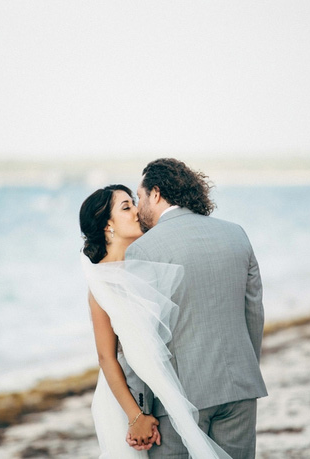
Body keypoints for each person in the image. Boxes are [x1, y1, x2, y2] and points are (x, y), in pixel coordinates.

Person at [127, 158, 267, 458]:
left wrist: (141, 411)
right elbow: (253, 311)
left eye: (139, 197)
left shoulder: (142, 249)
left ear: (155, 193)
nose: (138, 208)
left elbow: (139, 337)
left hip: (179, 398)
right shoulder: (236, 234)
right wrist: (245, 370)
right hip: (240, 386)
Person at [80, 185, 230, 458]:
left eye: (133, 203)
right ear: (107, 226)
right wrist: (135, 416)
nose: (137, 211)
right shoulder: (100, 283)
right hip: (125, 399)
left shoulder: (147, 270)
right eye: (126, 207)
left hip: (165, 392)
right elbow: (107, 358)